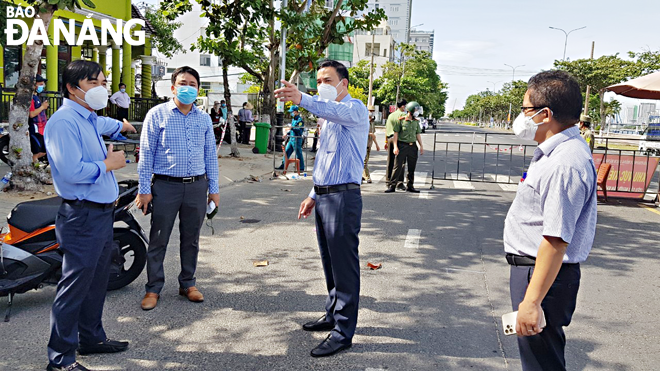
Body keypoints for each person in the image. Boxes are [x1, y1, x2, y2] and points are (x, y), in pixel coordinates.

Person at [44, 60, 136, 371]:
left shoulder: (88, 118)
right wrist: (109, 165)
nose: (102, 89)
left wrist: (123, 126)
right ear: (72, 88)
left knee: (97, 281)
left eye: (103, 82)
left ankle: (92, 338)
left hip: (100, 215)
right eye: (94, 83)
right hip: (81, 216)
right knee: (74, 287)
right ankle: (60, 359)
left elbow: (107, 125)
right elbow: (71, 172)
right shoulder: (63, 122)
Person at [274, 60, 368, 358]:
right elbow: (326, 160)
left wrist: (302, 98)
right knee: (329, 260)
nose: (321, 85)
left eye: (327, 79)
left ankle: (343, 331)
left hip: (343, 198)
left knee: (344, 265)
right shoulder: (326, 119)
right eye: (318, 80)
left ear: (344, 84)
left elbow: (332, 109)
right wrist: (313, 193)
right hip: (325, 196)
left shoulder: (354, 109)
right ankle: (332, 312)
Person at [504, 70, 597, 371]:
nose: (519, 118)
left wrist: (531, 302)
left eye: (525, 110)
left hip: (542, 276)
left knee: (541, 363)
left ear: (544, 114)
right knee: (539, 358)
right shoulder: (557, 153)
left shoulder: (564, 163)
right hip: (535, 272)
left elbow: (556, 239)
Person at [135, 66, 220, 311]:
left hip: (196, 186)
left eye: (193, 84)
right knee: (159, 239)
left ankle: (188, 283)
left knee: (191, 239)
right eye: (183, 83)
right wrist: (144, 189)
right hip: (165, 186)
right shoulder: (157, 114)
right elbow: (146, 154)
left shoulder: (203, 118)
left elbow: (210, 157)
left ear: (198, 89)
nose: (188, 88)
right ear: (173, 87)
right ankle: (153, 288)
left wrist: (213, 189)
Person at [385, 101, 424, 193]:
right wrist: (395, 146)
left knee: (412, 167)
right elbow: (396, 134)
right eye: (416, 110)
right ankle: (392, 185)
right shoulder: (401, 120)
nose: (417, 112)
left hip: (412, 146)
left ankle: (410, 185)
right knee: (397, 166)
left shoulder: (416, 122)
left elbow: (418, 134)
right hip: (402, 145)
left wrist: (421, 145)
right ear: (410, 110)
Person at [276, 105, 306, 171]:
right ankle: (283, 165)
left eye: (291, 112)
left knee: (298, 154)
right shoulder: (293, 119)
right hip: (291, 139)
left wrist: (292, 128)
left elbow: (299, 130)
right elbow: (291, 129)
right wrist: (287, 134)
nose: (291, 113)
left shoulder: (300, 120)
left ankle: (301, 168)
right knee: (286, 152)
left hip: (297, 139)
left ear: (295, 112)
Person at [386, 100, 407, 190]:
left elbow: (386, 129)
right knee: (400, 162)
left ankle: (388, 181)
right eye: (405, 106)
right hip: (398, 140)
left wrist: (386, 142)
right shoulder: (403, 116)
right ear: (402, 106)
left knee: (390, 161)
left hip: (389, 138)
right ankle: (399, 182)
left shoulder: (391, 115)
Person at [29, 74, 49, 164]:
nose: (42, 86)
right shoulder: (30, 98)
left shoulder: (36, 97)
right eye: (40, 84)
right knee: (36, 152)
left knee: (44, 150)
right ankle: (33, 165)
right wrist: (43, 107)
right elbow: (32, 114)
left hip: (41, 128)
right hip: (35, 128)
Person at [363, 105, 381, 183]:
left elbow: (373, 135)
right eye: (370, 111)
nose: (371, 113)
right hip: (363, 144)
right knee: (364, 161)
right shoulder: (363, 121)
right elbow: (361, 132)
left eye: (373, 111)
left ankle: (362, 176)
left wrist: (377, 144)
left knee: (365, 161)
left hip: (369, 144)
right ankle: (367, 177)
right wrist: (370, 134)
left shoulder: (372, 123)